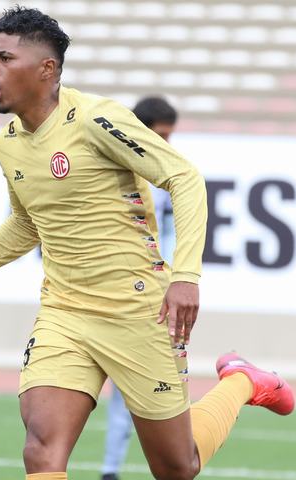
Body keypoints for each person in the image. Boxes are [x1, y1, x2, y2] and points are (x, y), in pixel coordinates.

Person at [0, 7, 294, 480]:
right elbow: (27, 224)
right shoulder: (8, 143)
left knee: (176, 468)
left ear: (47, 69)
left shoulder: (97, 120)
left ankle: (243, 381)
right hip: (64, 311)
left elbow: (184, 178)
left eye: (4, 58)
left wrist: (185, 276)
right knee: (41, 448)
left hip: (136, 310)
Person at [100, 96, 178, 480]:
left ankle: (111, 469)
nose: (166, 143)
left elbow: (173, 236)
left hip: (148, 293)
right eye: (160, 134)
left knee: (152, 388)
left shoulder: (166, 174)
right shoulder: (108, 166)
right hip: (102, 291)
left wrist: (175, 277)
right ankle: (109, 468)